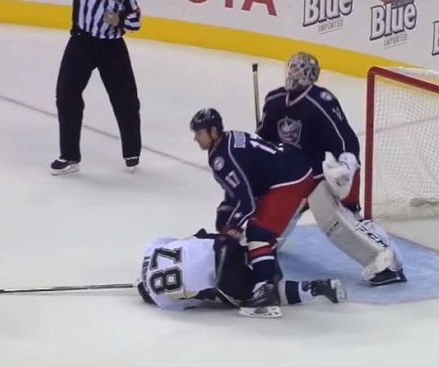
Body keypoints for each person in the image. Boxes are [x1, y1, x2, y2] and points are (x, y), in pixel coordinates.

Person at [256, 52, 406, 286]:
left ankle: (386, 264)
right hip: (288, 178)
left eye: (300, 69)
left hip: (313, 176)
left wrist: (346, 163)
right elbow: (264, 138)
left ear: (311, 75)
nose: (294, 73)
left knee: (335, 224)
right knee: (266, 226)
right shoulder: (274, 99)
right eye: (292, 68)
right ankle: (264, 250)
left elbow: (344, 138)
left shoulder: (321, 101)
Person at [190, 108, 315, 318]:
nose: (195, 138)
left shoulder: (223, 157)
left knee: (259, 231)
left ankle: (265, 294)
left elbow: (247, 203)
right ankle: (269, 274)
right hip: (289, 169)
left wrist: (233, 226)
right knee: (248, 225)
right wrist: (228, 214)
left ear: (212, 132)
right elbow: (241, 189)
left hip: (290, 180)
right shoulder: (225, 143)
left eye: (199, 133)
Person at [137, 229, 346, 317]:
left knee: (260, 295)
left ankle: (316, 288)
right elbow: (188, 238)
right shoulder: (151, 249)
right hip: (225, 246)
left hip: (226, 278)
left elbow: (198, 300)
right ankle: (261, 247)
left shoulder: (163, 303)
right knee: (217, 237)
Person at [50, 0, 143, 175]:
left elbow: (135, 22)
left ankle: (131, 151)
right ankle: (70, 156)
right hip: (81, 42)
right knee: (66, 95)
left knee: (126, 100)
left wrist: (119, 19)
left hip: (113, 47)